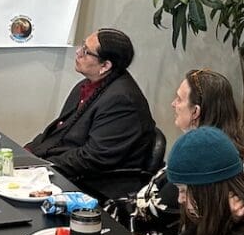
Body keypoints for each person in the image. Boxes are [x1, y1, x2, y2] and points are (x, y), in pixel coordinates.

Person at [118, 68, 244, 235]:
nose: (173, 104)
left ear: (195, 111)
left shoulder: (204, 163)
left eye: (179, 99)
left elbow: (161, 214)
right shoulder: (205, 149)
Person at [24, 27, 156, 201]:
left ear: (105, 65)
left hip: (93, 185)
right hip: (63, 170)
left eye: (86, 51)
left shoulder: (122, 101)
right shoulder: (85, 86)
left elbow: (94, 157)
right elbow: (60, 132)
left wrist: (44, 166)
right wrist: (27, 154)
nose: (78, 53)